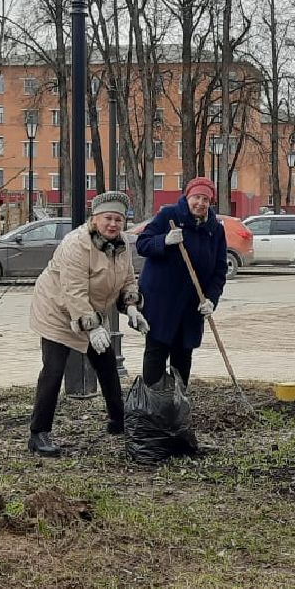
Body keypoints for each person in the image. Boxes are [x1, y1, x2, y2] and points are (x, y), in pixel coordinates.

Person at [26, 191, 149, 457]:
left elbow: (128, 278)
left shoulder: (122, 244)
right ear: (95, 219)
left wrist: (131, 307)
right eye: (108, 218)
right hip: (56, 310)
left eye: (118, 219)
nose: (113, 224)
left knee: (106, 365)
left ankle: (118, 420)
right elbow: (73, 291)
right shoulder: (76, 245)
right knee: (54, 369)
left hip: (90, 310)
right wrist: (93, 328)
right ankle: (39, 434)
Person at [135, 176, 228, 386]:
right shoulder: (169, 215)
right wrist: (164, 241)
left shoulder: (215, 229)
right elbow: (143, 244)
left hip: (192, 306)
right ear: (187, 196)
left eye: (206, 199)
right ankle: (152, 404)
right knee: (156, 352)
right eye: (197, 197)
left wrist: (211, 299)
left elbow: (219, 270)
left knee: (183, 355)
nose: (200, 203)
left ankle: (176, 404)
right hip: (162, 304)